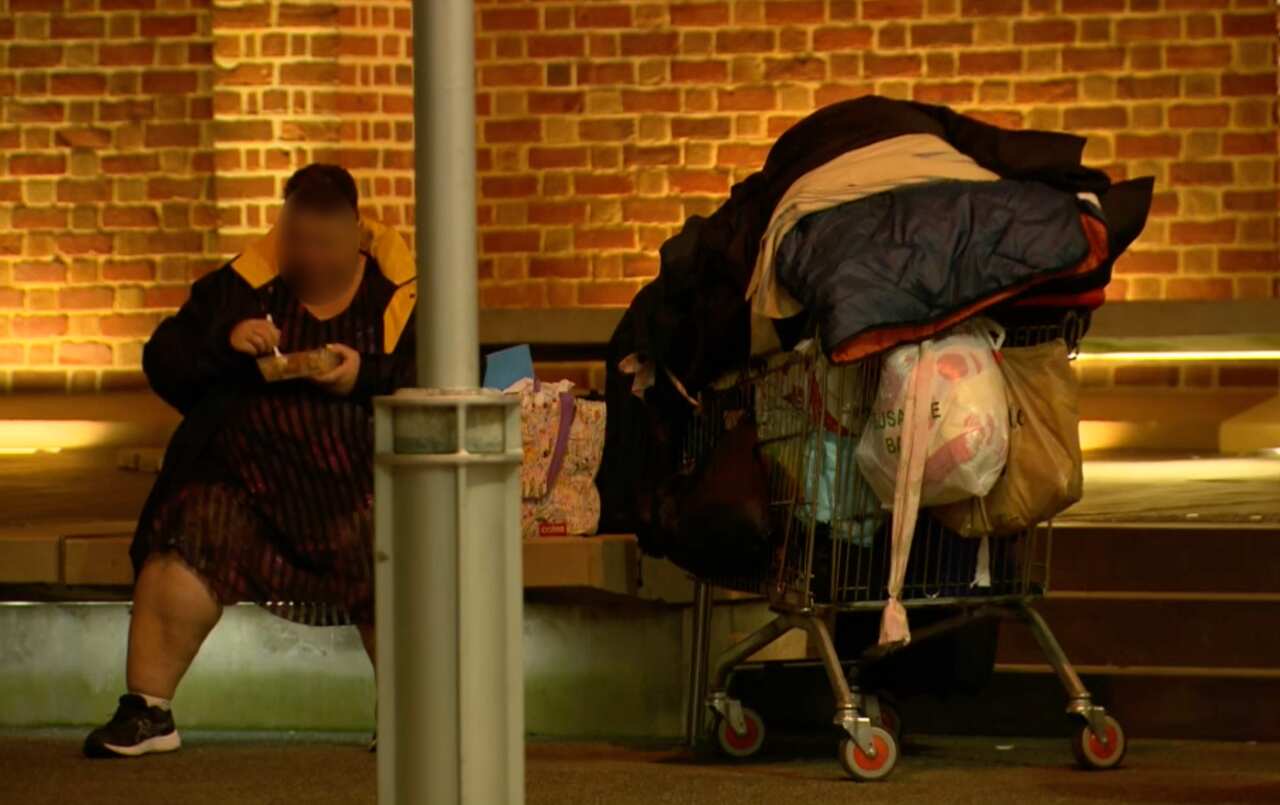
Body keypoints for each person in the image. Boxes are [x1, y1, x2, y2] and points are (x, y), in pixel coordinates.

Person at [83, 164, 417, 758]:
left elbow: (450, 373)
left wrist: (365, 376)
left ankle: (409, 715)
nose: (308, 257)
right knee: (189, 527)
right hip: (246, 483)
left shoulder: (403, 294)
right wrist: (225, 346)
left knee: (396, 540)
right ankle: (148, 709)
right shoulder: (240, 287)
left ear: (355, 235)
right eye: (296, 241)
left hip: (361, 485)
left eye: (323, 244)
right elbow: (164, 359)